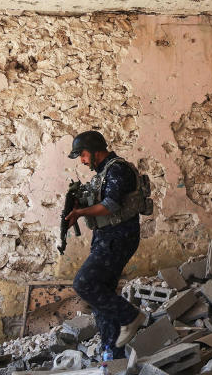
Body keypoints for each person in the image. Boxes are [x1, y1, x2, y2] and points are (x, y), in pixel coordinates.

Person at [64, 130, 147, 358]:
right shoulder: (103, 172)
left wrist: (80, 212)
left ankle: (131, 316)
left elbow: (111, 205)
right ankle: (112, 355)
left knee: (84, 283)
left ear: (94, 150)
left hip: (118, 238)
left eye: (82, 154)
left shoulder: (117, 168)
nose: (81, 160)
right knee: (102, 295)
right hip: (106, 237)